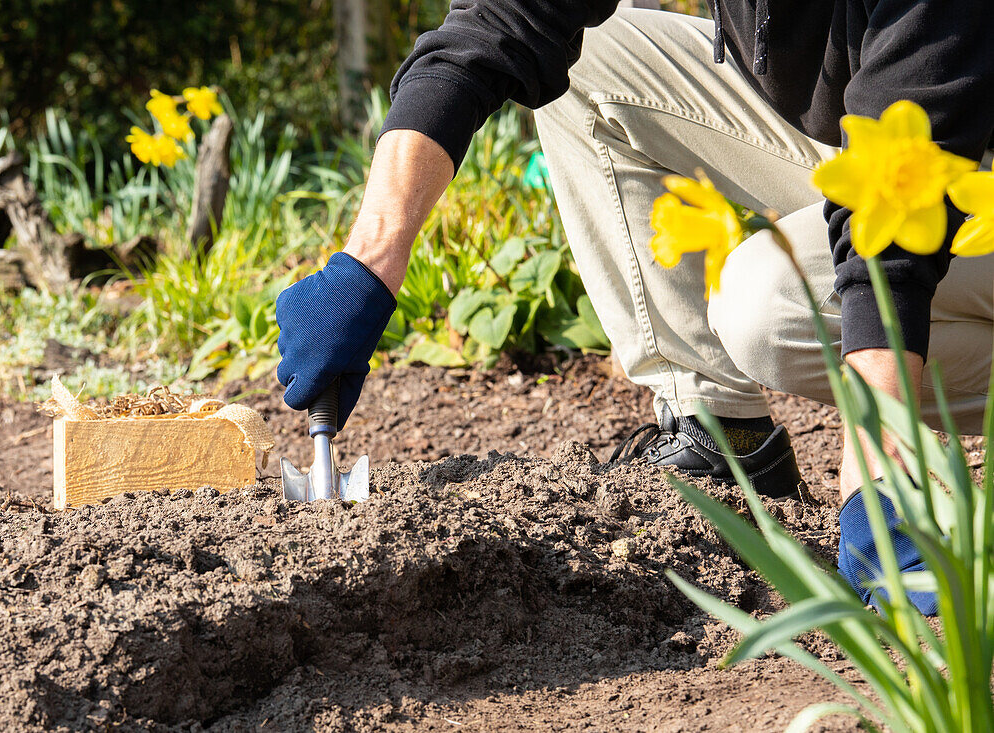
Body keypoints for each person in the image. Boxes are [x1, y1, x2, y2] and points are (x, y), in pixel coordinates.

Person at [274, 2, 994, 613]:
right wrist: (371, 257)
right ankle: (725, 436)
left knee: (767, 300)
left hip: (954, 146)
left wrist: (876, 441)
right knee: (585, 72)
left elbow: (912, 152)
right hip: (867, 128)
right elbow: (504, 16)